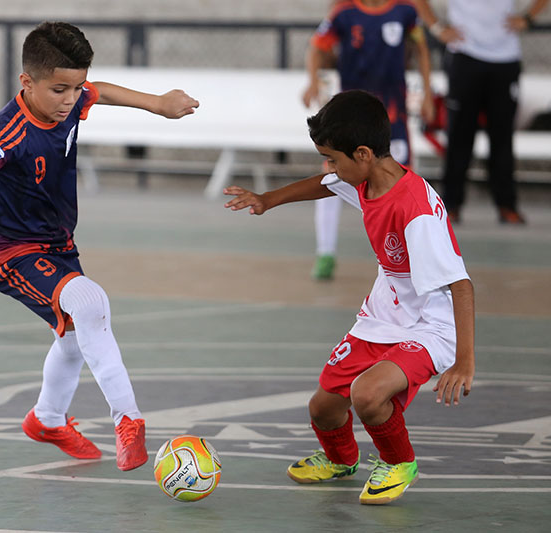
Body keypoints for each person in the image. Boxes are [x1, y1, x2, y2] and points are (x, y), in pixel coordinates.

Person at [0, 22, 199, 471]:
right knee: (91, 303)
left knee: (76, 336)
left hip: (58, 244)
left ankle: (47, 418)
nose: (71, 99)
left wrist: (157, 104)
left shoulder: (70, 100)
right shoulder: (7, 136)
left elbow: (101, 91)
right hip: (10, 252)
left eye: (76, 87)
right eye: (59, 89)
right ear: (27, 82)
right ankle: (129, 420)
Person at [224, 90, 474, 505]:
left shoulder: (416, 213)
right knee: (323, 407)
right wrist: (268, 199)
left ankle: (399, 462)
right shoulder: (366, 177)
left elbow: (461, 286)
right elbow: (326, 183)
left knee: (367, 395)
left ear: (362, 154)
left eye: (333, 158)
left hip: (430, 326)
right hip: (383, 312)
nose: (329, 166)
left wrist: (464, 361)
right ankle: (341, 459)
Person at [303, 0, 435, 280]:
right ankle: (325, 252)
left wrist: (426, 93)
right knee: (332, 177)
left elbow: (422, 50)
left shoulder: (405, 11)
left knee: (402, 184)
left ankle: (408, 258)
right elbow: (317, 47)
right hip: (351, 113)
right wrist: (312, 81)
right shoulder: (344, 12)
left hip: (392, 113)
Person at [413, 0, 550, 224]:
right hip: (465, 55)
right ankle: (451, 205)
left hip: (505, 58)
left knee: (502, 137)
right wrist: (437, 28)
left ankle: (506, 205)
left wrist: (527, 18)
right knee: (458, 135)